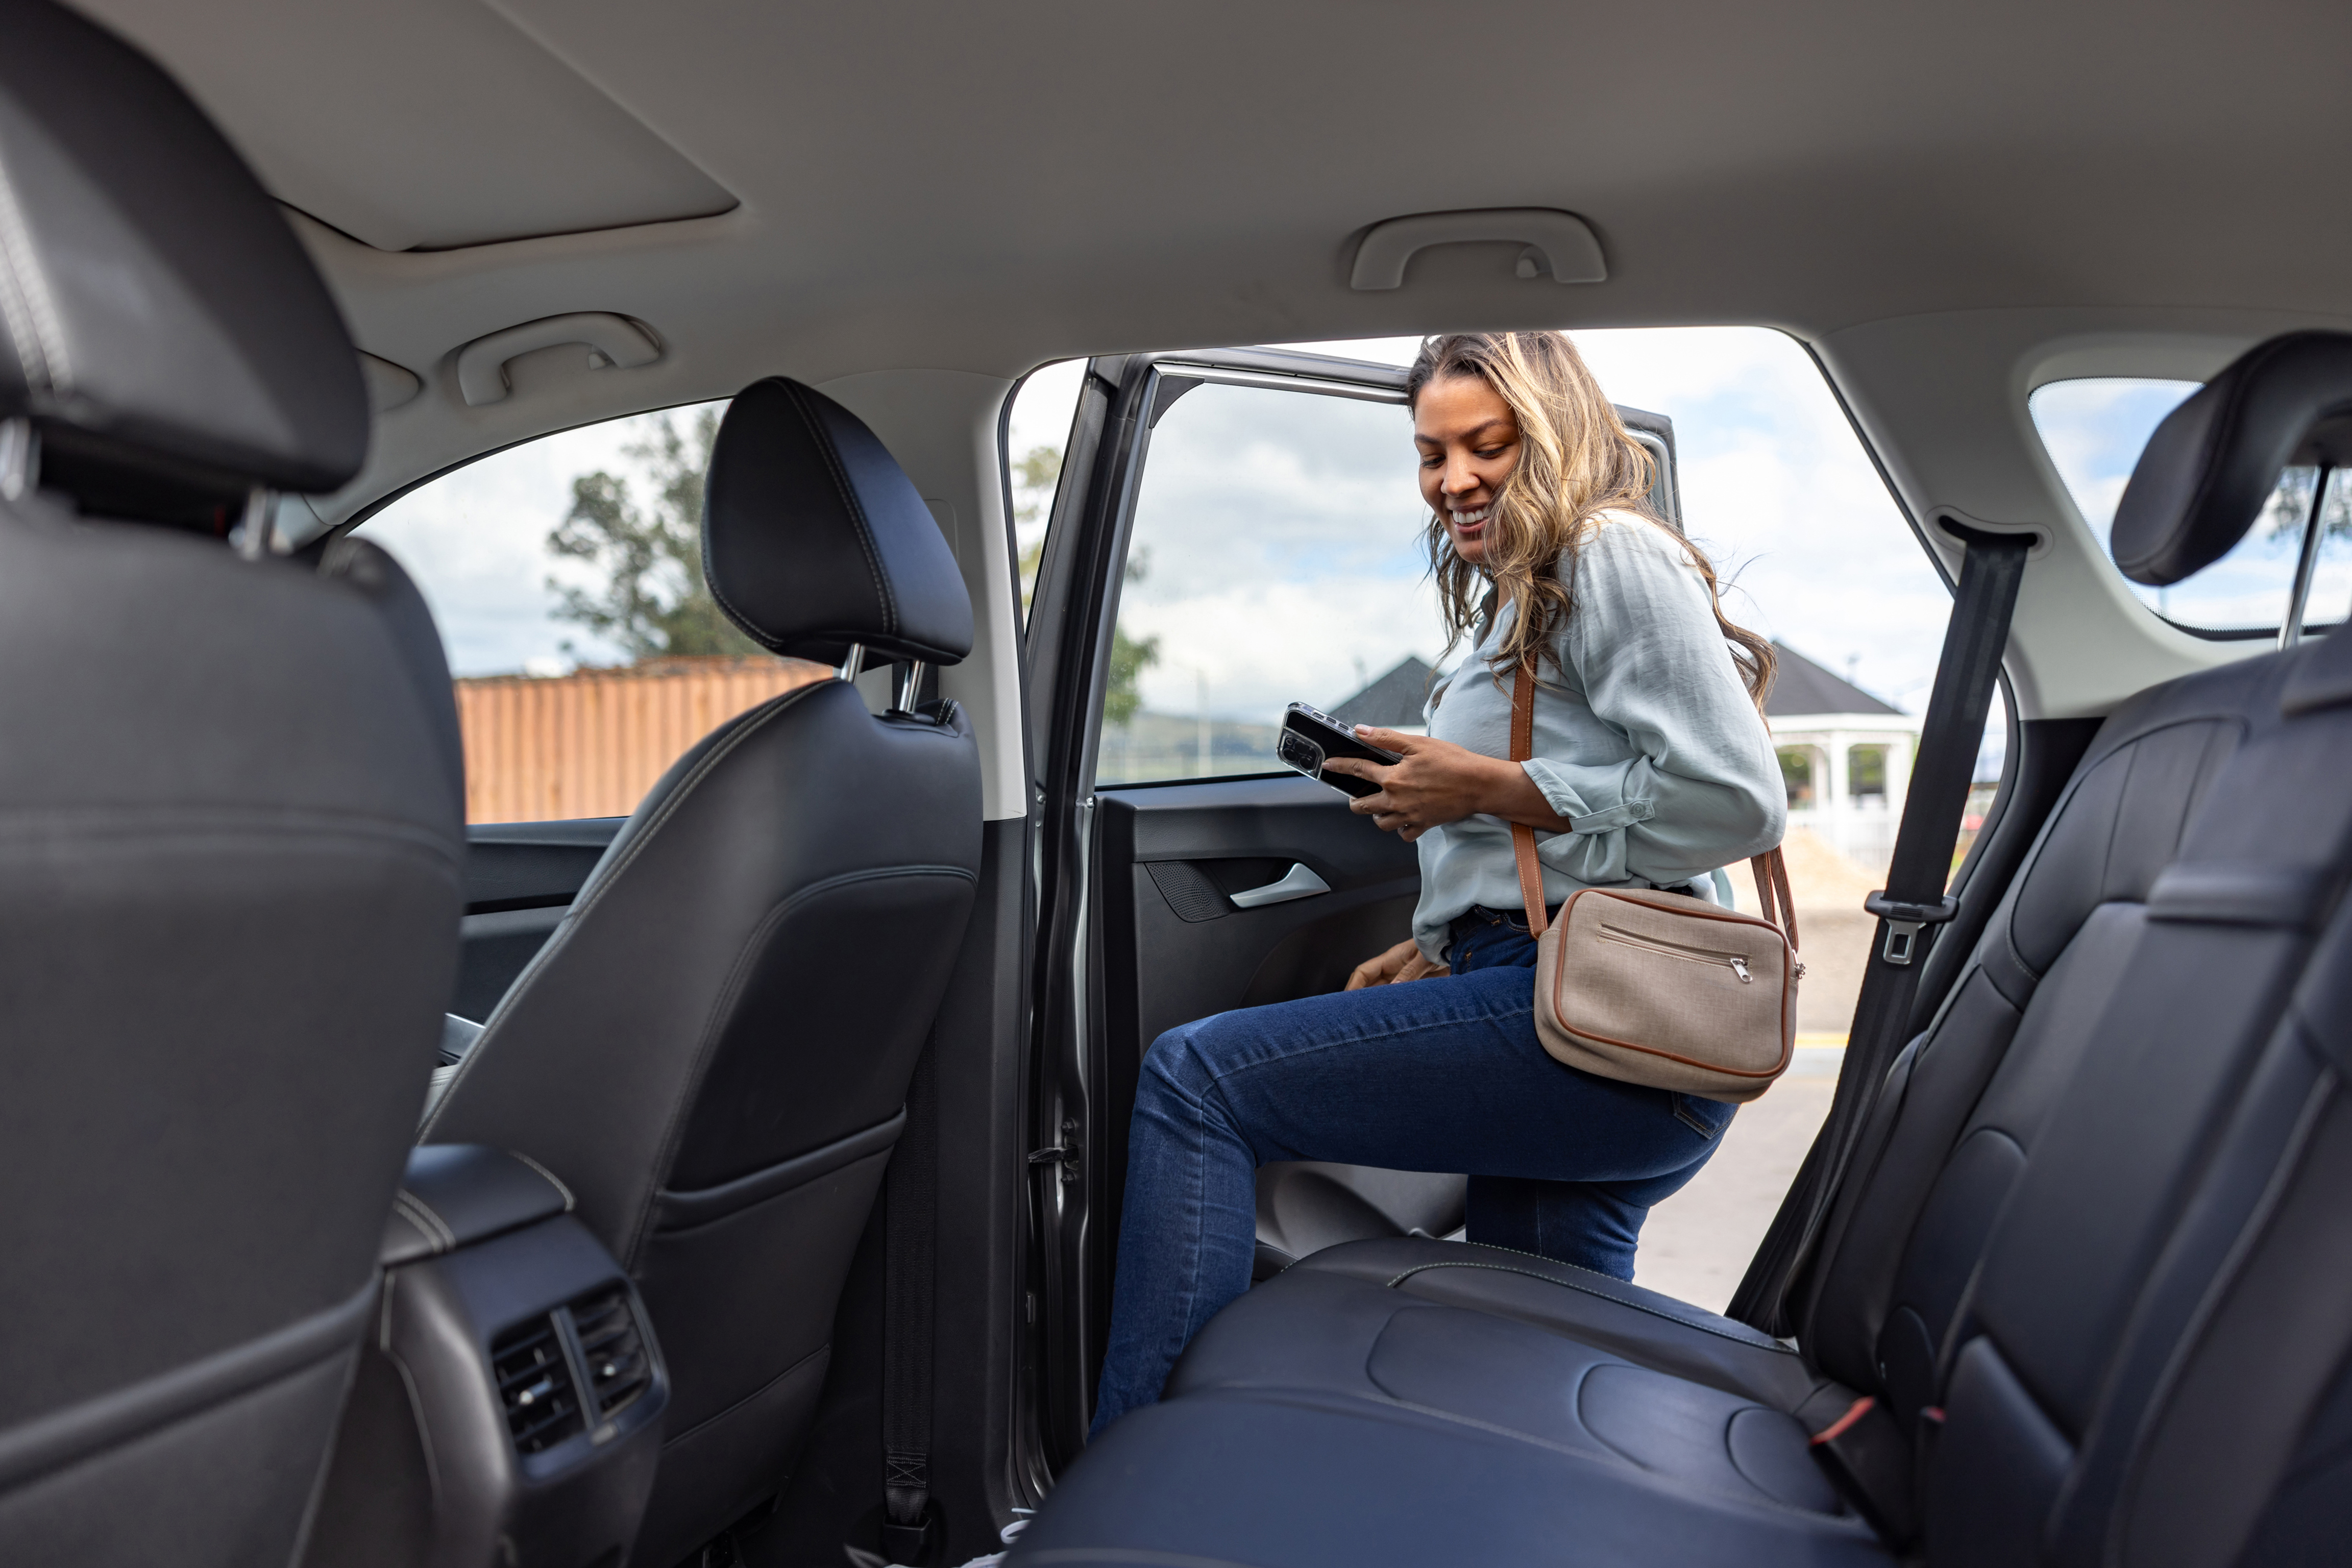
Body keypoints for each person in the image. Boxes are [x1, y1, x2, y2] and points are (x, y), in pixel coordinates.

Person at [1090, 330, 1785, 1434]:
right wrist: (1443, 939)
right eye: (1431, 453)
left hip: (1599, 1028)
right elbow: (1576, 812)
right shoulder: (1517, 596)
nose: (1454, 478)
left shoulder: (1608, 554)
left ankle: (1127, 1479)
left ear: (1551, 438)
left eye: (1488, 445)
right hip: (1568, 995)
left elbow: (1738, 801)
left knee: (1199, 1083)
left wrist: (1486, 788)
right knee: (1540, 1375)